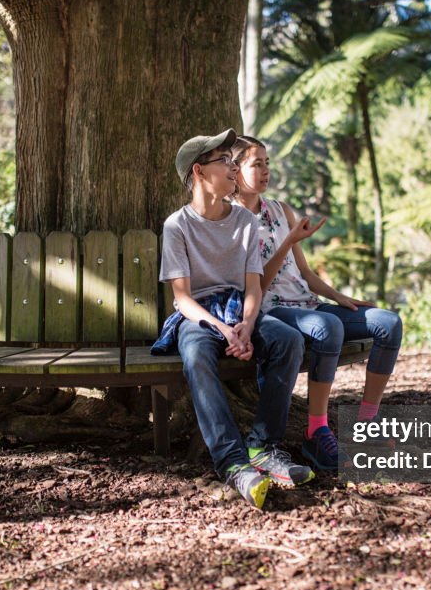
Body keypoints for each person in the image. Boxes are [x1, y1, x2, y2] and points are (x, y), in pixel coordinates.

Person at [155, 128, 313, 510]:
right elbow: (181, 298)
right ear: (199, 172)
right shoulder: (177, 226)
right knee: (196, 355)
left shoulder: (244, 221)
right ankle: (232, 461)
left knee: (287, 339)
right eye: (223, 162)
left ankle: (263, 446)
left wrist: (245, 323)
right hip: (200, 317)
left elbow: (253, 286)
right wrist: (222, 329)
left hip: (241, 309)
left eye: (231, 160)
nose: (231, 168)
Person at [230, 134, 403, 470]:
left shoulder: (281, 210)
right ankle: (316, 431)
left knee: (388, 323)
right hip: (271, 310)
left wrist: (339, 297)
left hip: (308, 303)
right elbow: (257, 285)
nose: (266, 171)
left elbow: (305, 272)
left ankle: (367, 422)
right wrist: (288, 242)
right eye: (257, 164)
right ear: (235, 172)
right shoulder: (232, 221)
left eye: (267, 163)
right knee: (328, 327)